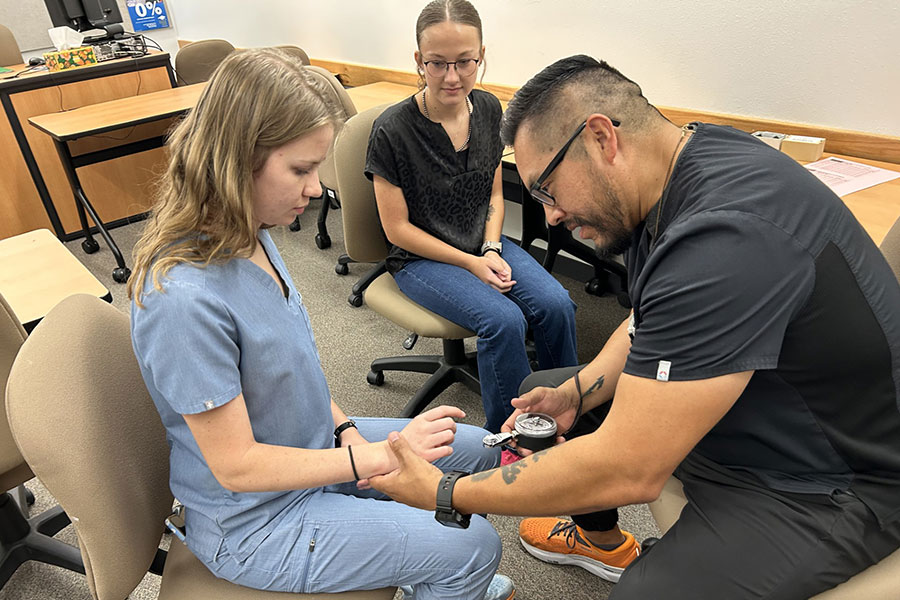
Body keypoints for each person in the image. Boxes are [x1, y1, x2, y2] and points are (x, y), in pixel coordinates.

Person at [368, 54, 900, 599]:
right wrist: (576, 392)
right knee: (544, 397)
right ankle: (598, 539)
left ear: (601, 139)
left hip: (833, 480)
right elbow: (649, 319)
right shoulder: (685, 165)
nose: (548, 217)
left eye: (547, 191)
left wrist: (446, 491)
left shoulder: (727, 239)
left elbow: (629, 468)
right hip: (753, 404)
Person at [127, 48, 515, 600]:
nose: (317, 190)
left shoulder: (250, 232)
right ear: (237, 160)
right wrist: (372, 456)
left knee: (475, 448)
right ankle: (451, 573)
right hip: (256, 523)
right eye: (301, 170)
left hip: (310, 448)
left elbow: (296, 368)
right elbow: (236, 466)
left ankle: (445, 574)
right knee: (473, 545)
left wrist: (345, 432)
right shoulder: (183, 299)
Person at [365, 0, 579, 437]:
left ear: (482, 56)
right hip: (420, 260)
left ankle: (568, 413)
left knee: (557, 306)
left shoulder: (489, 110)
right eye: (437, 63)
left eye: (465, 62)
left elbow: (495, 193)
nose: (452, 76)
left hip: (482, 245)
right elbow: (397, 230)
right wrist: (471, 263)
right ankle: (514, 438)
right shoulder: (392, 130)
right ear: (418, 61)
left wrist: (492, 247)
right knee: (504, 322)